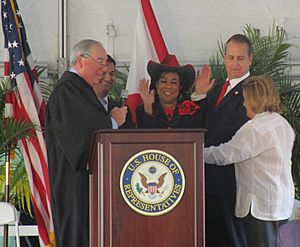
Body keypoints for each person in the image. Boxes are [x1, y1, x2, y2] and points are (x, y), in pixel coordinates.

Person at [45, 39, 127, 247]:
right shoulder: (68, 90)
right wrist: (112, 121)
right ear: (81, 61)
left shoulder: (81, 90)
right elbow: (82, 134)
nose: (103, 67)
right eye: (99, 61)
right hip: (75, 185)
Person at [205, 75, 295, 247]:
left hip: (260, 206)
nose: (244, 104)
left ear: (255, 99)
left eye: (245, 99)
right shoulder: (282, 123)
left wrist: (194, 152)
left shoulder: (255, 128)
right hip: (280, 203)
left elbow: (224, 155)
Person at [193, 34, 253, 246]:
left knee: (231, 238)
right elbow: (206, 125)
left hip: (231, 179)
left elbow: (231, 131)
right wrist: (199, 96)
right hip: (210, 178)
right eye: (231, 57)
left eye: (240, 58)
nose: (235, 63)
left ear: (250, 60)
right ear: (224, 58)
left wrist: (200, 152)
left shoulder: (252, 90)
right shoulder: (219, 87)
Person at [136, 54, 204, 128]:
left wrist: (200, 93)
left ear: (180, 86)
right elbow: (145, 137)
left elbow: (199, 134)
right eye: (163, 81)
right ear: (156, 84)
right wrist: (148, 106)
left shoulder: (190, 109)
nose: (168, 86)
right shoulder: (142, 110)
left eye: (174, 82)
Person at [93, 54, 135, 128]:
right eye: (103, 73)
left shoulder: (121, 108)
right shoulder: (82, 106)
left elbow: (130, 137)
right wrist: (111, 121)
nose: (107, 78)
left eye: (112, 73)